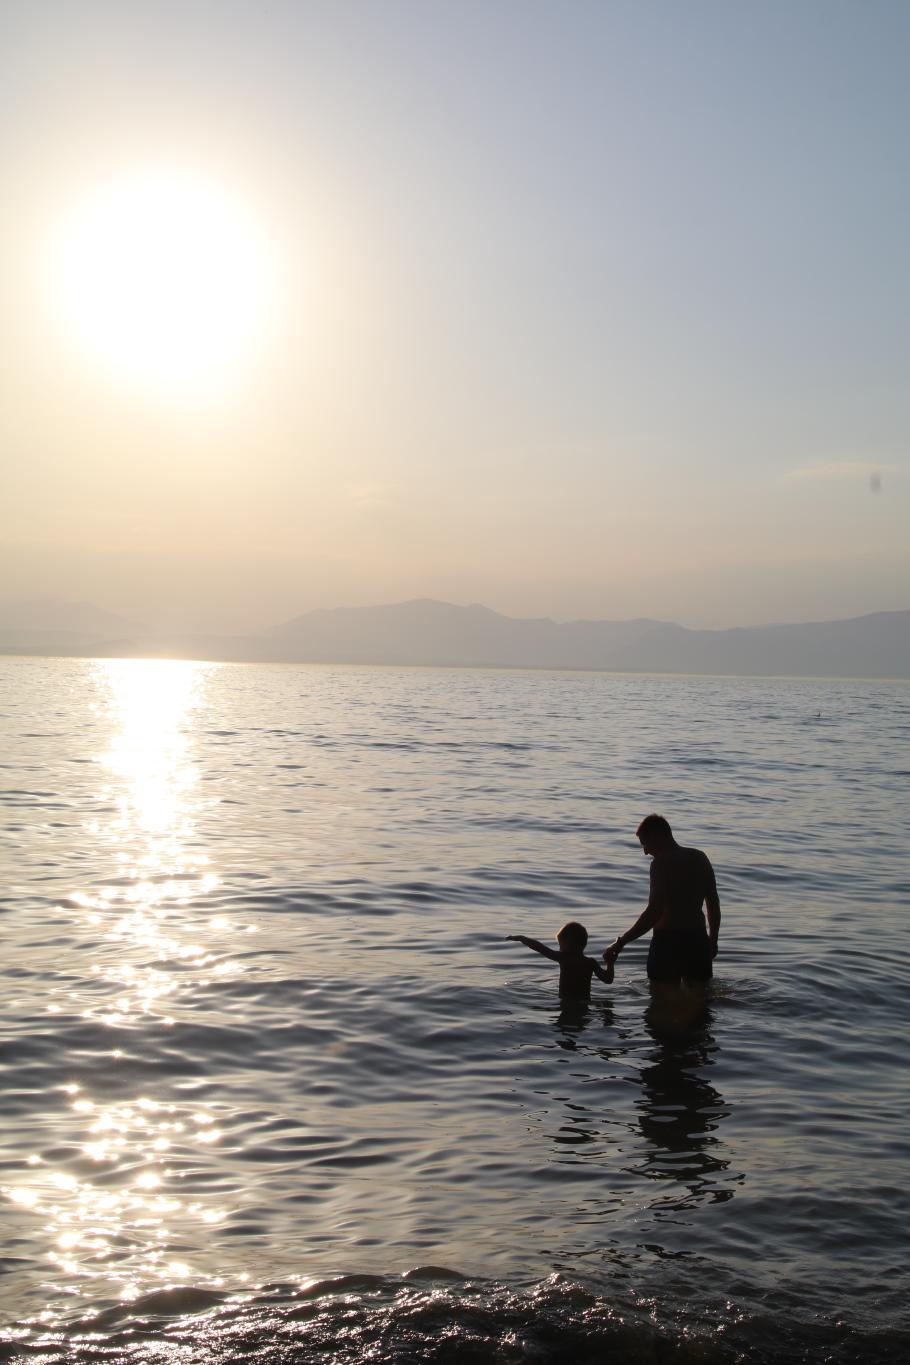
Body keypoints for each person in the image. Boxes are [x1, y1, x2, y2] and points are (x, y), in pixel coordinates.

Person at [604, 814, 720, 988]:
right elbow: (713, 904)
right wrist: (713, 940)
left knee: (661, 1005)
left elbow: (654, 912)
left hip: (668, 943)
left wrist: (621, 942)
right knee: (701, 1006)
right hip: (697, 940)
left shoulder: (660, 863)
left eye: (645, 843)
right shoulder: (699, 857)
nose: (645, 851)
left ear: (657, 836)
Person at [506, 921, 614, 998]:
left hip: (566, 1002)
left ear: (568, 944)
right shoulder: (590, 962)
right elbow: (608, 980)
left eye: (560, 944)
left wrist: (521, 938)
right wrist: (610, 963)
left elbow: (540, 948)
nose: (559, 948)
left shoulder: (564, 958)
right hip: (584, 1002)